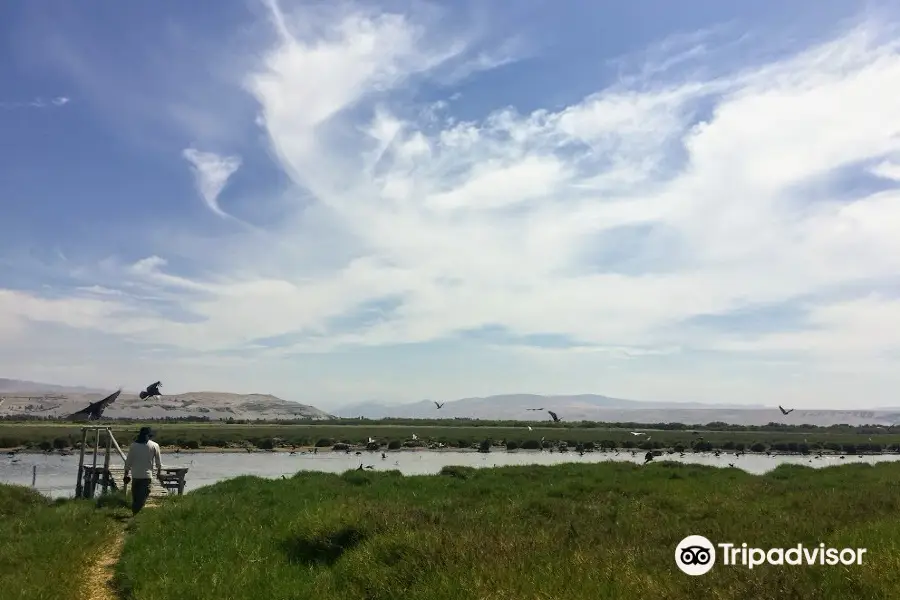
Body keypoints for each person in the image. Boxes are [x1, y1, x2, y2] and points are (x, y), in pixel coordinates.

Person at [123, 426, 162, 515]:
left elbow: (128, 461)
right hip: (147, 476)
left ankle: (134, 515)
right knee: (142, 499)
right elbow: (158, 462)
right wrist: (159, 473)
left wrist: (126, 474)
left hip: (135, 475)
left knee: (136, 498)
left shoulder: (133, 445)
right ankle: (135, 517)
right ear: (149, 435)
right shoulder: (154, 445)